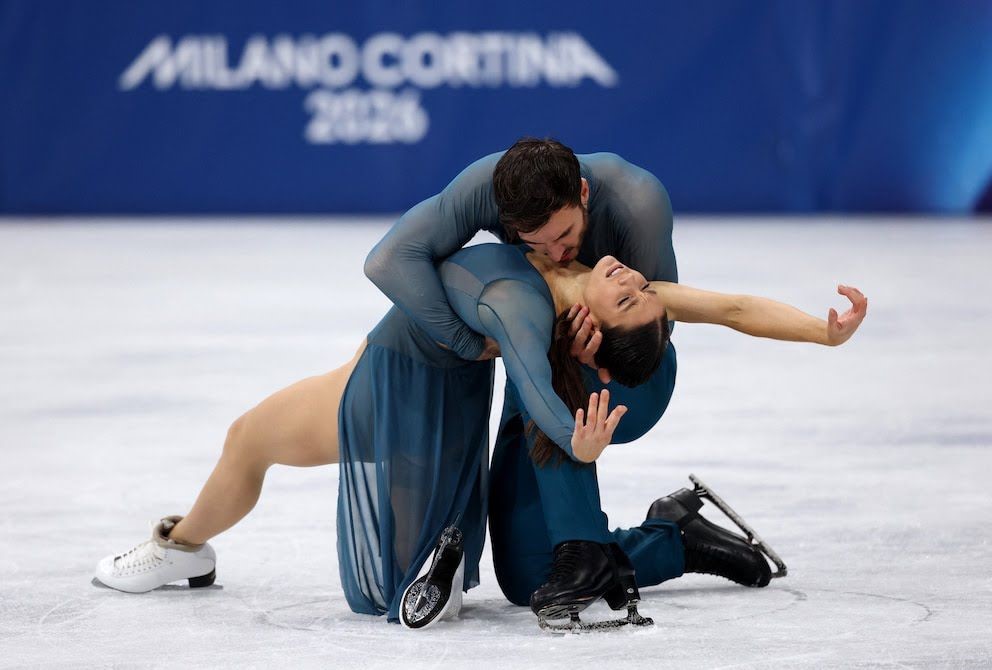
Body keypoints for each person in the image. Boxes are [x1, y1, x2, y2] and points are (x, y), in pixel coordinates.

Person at [92, 234, 867, 629]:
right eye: (634, 285)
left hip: (434, 382)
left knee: (250, 439)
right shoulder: (584, 284)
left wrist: (822, 334)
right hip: (474, 387)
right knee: (529, 578)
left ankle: (181, 547)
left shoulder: (577, 322)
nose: (631, 273)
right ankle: (670, 538)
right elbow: (728, 308)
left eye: (634, 294)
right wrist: (824, 334)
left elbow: (731, 310)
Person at [361, 138, 867, 621]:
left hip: (631, 375)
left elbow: (659, 325)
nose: (555, 253)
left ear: (583, 194)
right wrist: (471, 343)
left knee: (559, 381)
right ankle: (674, 539)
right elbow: (388, 260)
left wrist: (593, 359)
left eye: (565, 236)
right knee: (526, 574)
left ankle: (584, 549)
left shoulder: (635, 211)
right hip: (545, 367)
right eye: (533, 242)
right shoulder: (496, 192)